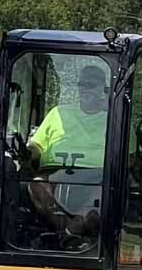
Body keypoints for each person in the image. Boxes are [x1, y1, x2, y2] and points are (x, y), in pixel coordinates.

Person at [25, 62, 110, 238]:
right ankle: (65, 231)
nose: (86, 89)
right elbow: (36, 145)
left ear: (103, 88)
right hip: (56, 174)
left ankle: (70, 233)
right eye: (83, 85)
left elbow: (130, 159)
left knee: (106, 192)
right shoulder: (58, 113)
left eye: (92, 85)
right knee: (37, 184)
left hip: (98, 177)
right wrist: (27, 152)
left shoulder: (114, 120)